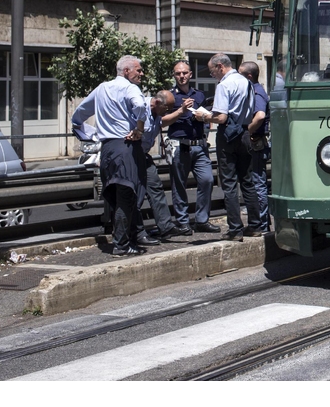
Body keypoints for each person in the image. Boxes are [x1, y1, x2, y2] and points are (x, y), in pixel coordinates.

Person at [71, 55, 149, 256]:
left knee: (117, 197)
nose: (141, 73)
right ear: (126, 72)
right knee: (126, 197)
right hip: (126, 148)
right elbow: (140, 106)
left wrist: (82, 129)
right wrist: (139, 128)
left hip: (107, 150)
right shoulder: (131, 88)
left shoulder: (102, 88)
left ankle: (127, 240)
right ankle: (122, 245)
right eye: (138, 70)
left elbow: (79, 113)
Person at [193, 54, 258, 241]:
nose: (212, 74)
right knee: (247, 181)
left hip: (228, 136)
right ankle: (255, 225)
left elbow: (221, 117)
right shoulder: (246, 83)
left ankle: (235, 229)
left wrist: (204, 116)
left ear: (220, 66)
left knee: (229, 184)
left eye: (212, 71)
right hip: (245, 133)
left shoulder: (224, 85)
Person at [162, 61, 220, 234]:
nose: (181, 76)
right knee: (179, 184)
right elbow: (162, 121)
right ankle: (183, 222)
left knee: (207, 180)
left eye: (185, 73)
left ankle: (202, 220)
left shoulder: (199, 95)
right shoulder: (169, 97)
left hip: (199, 146)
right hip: (180, 146)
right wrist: (180, 110)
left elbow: (208, 116)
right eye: (178, 73)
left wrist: (204, 117)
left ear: (190, 74)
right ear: (174, 75)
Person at [134, 89, 187, 239]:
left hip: (144, 156)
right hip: (132, 156)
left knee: (155, 188)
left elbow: (164, 121)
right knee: (136, 195)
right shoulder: (140, 108)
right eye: (167, 108)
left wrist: (180, 112)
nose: (168, 111)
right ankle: (136, 233)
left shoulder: (157, 113)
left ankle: (166, 227)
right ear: (157, 103)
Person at [238, 61, 270, 235]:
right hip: (256, 142)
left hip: (256, 143)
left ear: (249, 76)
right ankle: (261, 223)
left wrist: (245, 131)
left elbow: (260, 116)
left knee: (258, 184)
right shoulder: (254, 90)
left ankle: (262, 225)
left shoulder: (257, 92)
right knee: (257, 183)